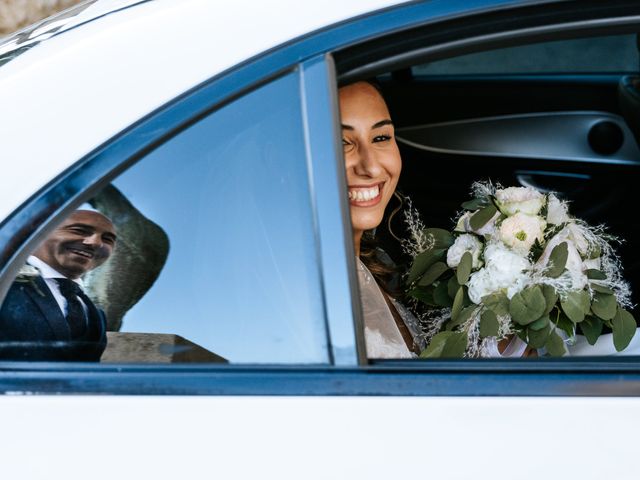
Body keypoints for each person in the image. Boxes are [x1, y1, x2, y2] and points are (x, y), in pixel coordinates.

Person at [339, 80, 423, 359]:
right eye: (341, 143)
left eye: (380, 138)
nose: (371, 166)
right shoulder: (308, 289)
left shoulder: (376, 260)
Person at [0, 209, 117, 361]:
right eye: (79, 230)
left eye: (108, 239)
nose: (95, 243)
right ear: (38, 233)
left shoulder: (96, 315)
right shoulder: (5, 281)